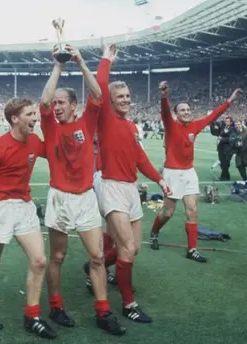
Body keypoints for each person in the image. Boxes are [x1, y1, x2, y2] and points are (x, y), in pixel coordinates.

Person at [39, 43, 124, 335]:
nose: (58, 106)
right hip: (59, 198)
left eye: (64, 102)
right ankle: (56, 306)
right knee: (58, 257)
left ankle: (103, 312)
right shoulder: (50, 125)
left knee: (98, 257)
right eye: (57, 103)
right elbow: (44, 101)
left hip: (85, 197)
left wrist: (80, 61)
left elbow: (99, 95)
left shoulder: (87, 123)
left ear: (75, 105)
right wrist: (59, 66)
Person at [90, 50, 171, 324]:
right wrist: (106, 62)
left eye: (127, 96)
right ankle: (128, 304)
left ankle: (95, 265)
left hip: (130, 189)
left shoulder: (133, 127)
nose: (125, 100)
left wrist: (160, 179)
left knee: (134, 248)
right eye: (120, 97)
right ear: (110, 100)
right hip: (110, 186)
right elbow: (99, 86)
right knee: (125, 247)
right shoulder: (106, 120)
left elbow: (140, 159)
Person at [0, 98, 56, 339]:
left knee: (39, 260)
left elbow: (54, 150)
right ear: (14, 118)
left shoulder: (34, 141)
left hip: (24, 206)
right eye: (30, 114)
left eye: (35, 114)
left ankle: (33, 316)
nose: (34, 118)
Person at [149, 82, 241, 263]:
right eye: (182, 110)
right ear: (176, 114)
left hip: (189, 173)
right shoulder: (170, 124)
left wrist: (230, 100)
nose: (186, 112)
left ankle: (192, 250)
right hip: (172, 173)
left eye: (188, 109)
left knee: (192, 211)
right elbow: (165, 112)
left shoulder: (195, 126)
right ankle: (154, 232)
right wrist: (164, 96)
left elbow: (214, 115)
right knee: (168, 213)